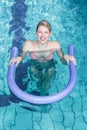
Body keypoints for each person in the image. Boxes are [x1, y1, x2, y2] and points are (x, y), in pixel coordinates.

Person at [9, 20, 76, 96]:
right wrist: (19, 58)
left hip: (49, 65)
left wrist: (66, 57)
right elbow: (22, 56)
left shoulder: (55, 45)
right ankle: (41, 94)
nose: (43, 35)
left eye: (46, 32)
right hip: (35, 66)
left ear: (50, 34)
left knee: (47, 82)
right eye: (40, 32)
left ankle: (43, 98)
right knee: (37, 79)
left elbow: (62, 60)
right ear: (36, 33)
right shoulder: (29, 44)